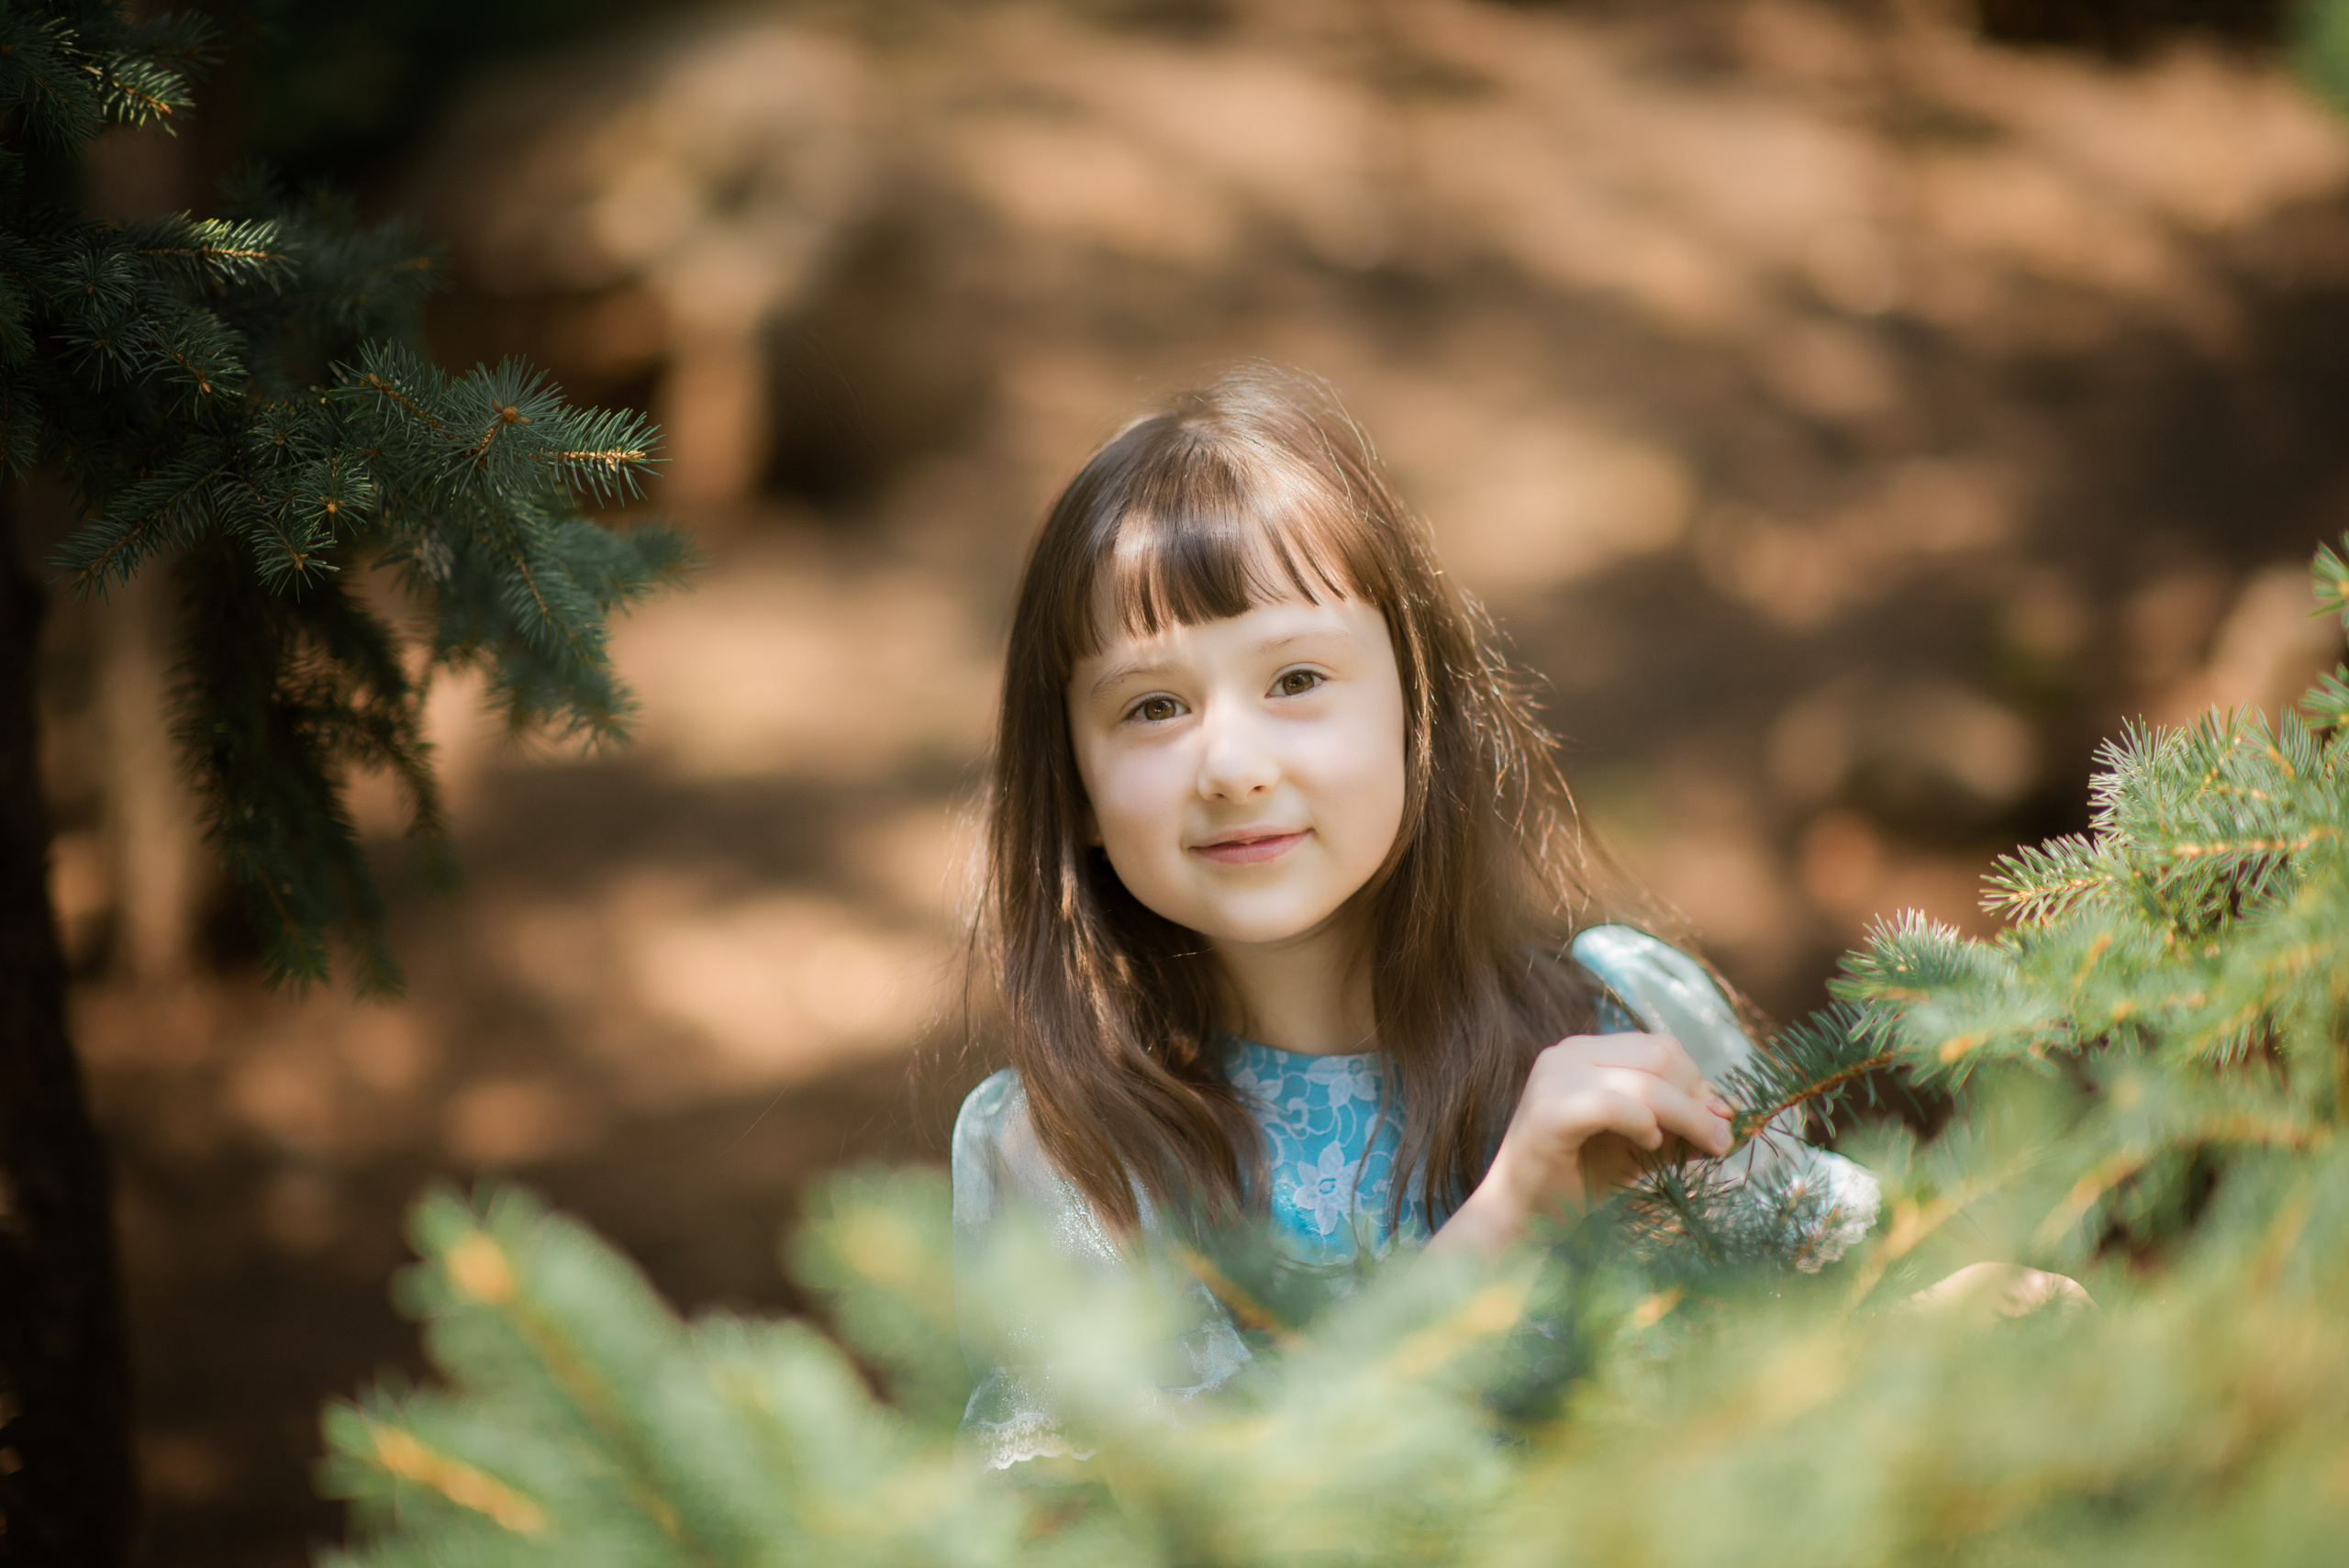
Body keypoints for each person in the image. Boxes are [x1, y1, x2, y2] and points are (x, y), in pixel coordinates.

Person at [950, 367, 1879, 1473]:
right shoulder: (1067, 1151)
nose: (1234, 765)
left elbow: (1819, 1341)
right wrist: (1503, 1222)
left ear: (1415, 713)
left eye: (1296, 677)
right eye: (1153, 706)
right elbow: (1189, 1517)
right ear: (1079, 792)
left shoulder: (1613, 1023)